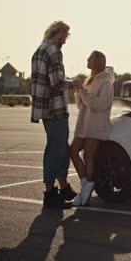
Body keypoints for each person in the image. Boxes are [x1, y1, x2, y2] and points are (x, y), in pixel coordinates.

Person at [31, 21, 80, 208]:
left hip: (45, 109)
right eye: (65, 36)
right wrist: (73, 82)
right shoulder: (53, 50)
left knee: (58, 148)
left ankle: (63, 187)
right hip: (56, 109)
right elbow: (57, 82)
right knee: (56, 150)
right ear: (57, 32)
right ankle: (51, 194)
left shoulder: (40, 49)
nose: (65, 41)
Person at [70, 51, 115, 206]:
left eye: (90, 58)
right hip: (84, 124)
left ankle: (85, 190)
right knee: (73, 151)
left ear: (98, 62)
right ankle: (86, 186)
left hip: (96, 125)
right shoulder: (91, 80)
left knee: (89, 157)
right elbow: (80, 104)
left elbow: (99, 105)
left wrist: (81, 91)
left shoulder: (106, 82)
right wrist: (78, 90)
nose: (87, 59)